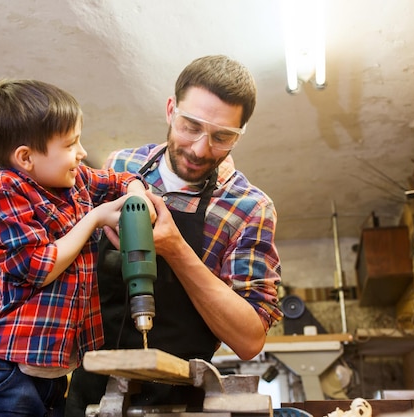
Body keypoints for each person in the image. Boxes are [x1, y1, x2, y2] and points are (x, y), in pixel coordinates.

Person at [66, 55, 283, 414]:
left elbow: (249, 340)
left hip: (180, 399)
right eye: (191, 126)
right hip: (91, 389)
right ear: (171, 109)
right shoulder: (120, 167)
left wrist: (176, 250)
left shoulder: (250, 208)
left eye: (222, 136)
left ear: (240, 134)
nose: (200, 148)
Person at [0, 79, 154, 417]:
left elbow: (119, 180)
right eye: (71, 144)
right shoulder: (6, 191)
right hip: (3, 371)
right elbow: (37, 267)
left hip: (53, 374)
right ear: (26, 157)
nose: (82, 152)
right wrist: (94, 219)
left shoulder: (76, 182)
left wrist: (134, 192)